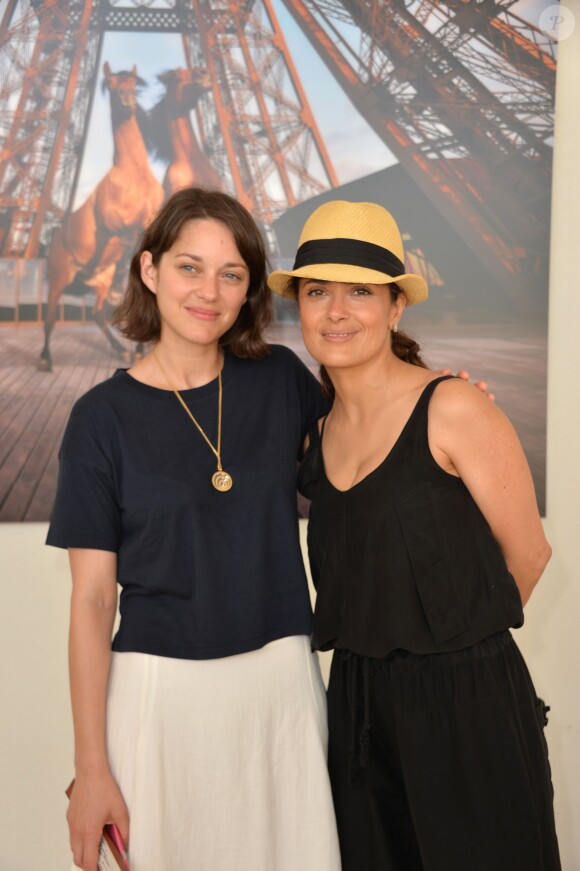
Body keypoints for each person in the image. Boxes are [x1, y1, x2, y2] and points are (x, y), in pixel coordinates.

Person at [46, 188, 341, 871]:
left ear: (248, 290)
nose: (209, 290)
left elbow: (371, 451)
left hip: (282, 693)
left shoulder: (282, 382)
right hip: (160, 698)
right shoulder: (101, 418)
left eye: (231, 273)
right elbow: (92, 601)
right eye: (189, 267)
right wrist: (91, 769)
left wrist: (445, 406)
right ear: (149, 271)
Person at [268, 199, 561, 871]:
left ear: (396, 307)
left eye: (361, 292)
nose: (337, 310)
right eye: (318, 291)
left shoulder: (453, 406)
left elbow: (529, 552)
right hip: (359, 709)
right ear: (300, 306)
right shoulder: (313, 435)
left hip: (467, 701)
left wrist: (451, 645)